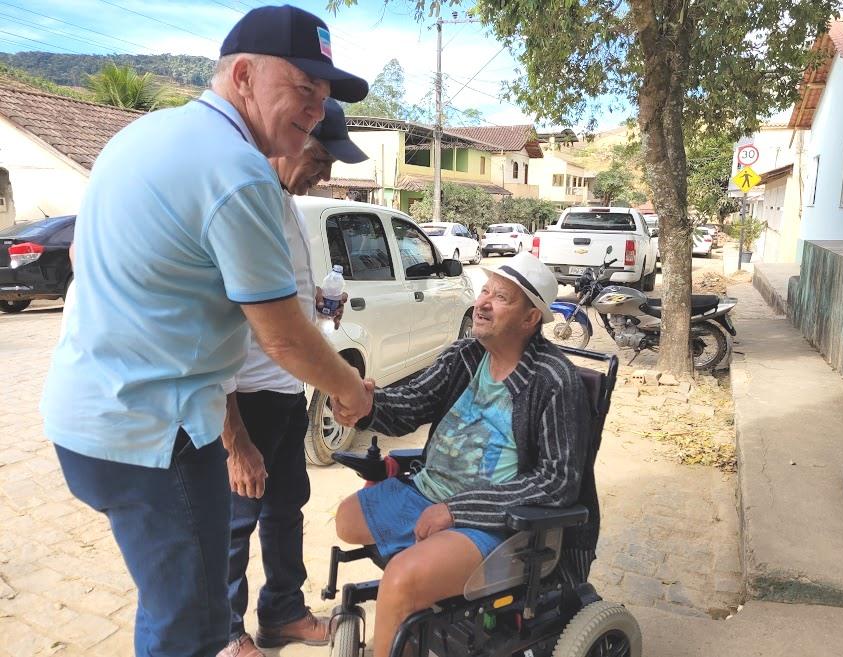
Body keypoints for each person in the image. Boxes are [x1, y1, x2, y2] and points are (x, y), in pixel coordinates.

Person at [39, 6, 370, 657]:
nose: (314, 110)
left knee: (170, 604)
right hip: (156, 435)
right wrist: (351, 388)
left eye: (324, 95)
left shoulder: (147, 133)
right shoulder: (237, 167)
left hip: (86, 421)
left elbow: (81, 260)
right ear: (242, 75)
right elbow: (281, 336)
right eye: (304, 88)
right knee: (189, 628)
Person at [333, 253, 593, 657]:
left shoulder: (554, 382)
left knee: (400, 579)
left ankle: (410, 594)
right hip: (428, 492)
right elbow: (413, 402)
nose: (483, 303)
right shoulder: (465, 355)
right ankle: (424, 581)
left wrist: (457, 510)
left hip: (496, 522)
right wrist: (367, 406)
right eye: (484, 291)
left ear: (530, 319)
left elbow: (556, 482)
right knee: (347, 520)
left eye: (501, 297)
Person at [219, 99, 368, 657]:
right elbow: (215, 328)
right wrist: (234, 440)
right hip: (246, 393)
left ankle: (282, 612)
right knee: (236, 520)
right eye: (322, 157)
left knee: (286, 506)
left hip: (283, 391)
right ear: (293, 137)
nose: (326, 175)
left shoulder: (285, 204)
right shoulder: (247, 197)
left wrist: (318, 307)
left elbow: (282, 310)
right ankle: (225, 633)